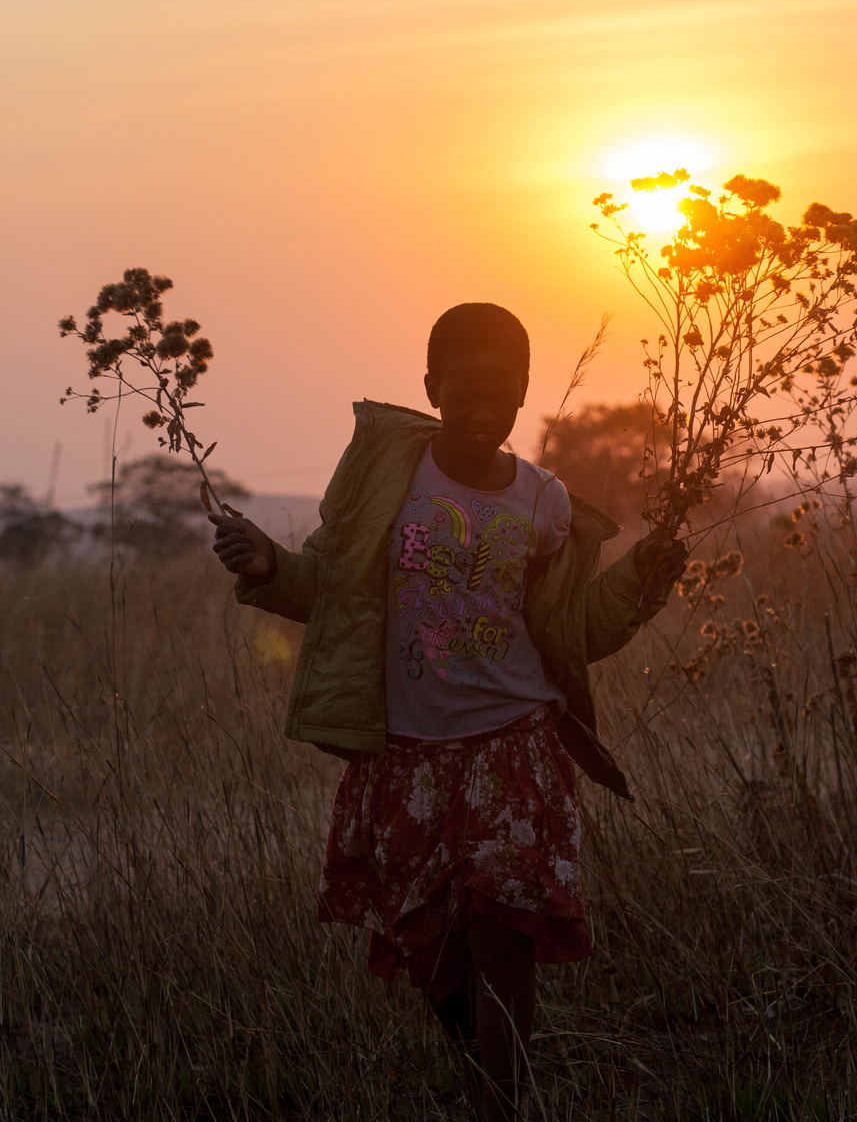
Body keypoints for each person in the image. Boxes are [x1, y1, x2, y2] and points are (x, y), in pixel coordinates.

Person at [211, 303, 686, 1122]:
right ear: (430, 387)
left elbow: (573, 633)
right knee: (429, 947)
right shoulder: (385, 482)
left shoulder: (545, 502)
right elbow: (327, 590)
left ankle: (503, 1102)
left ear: (524, 394)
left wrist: (642, 577)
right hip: (406, 755)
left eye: (501, 394)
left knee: (504, 926)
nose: (480, 408)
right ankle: (490, 1075)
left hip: (516, 746)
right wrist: (267, 566)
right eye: (462, 391)